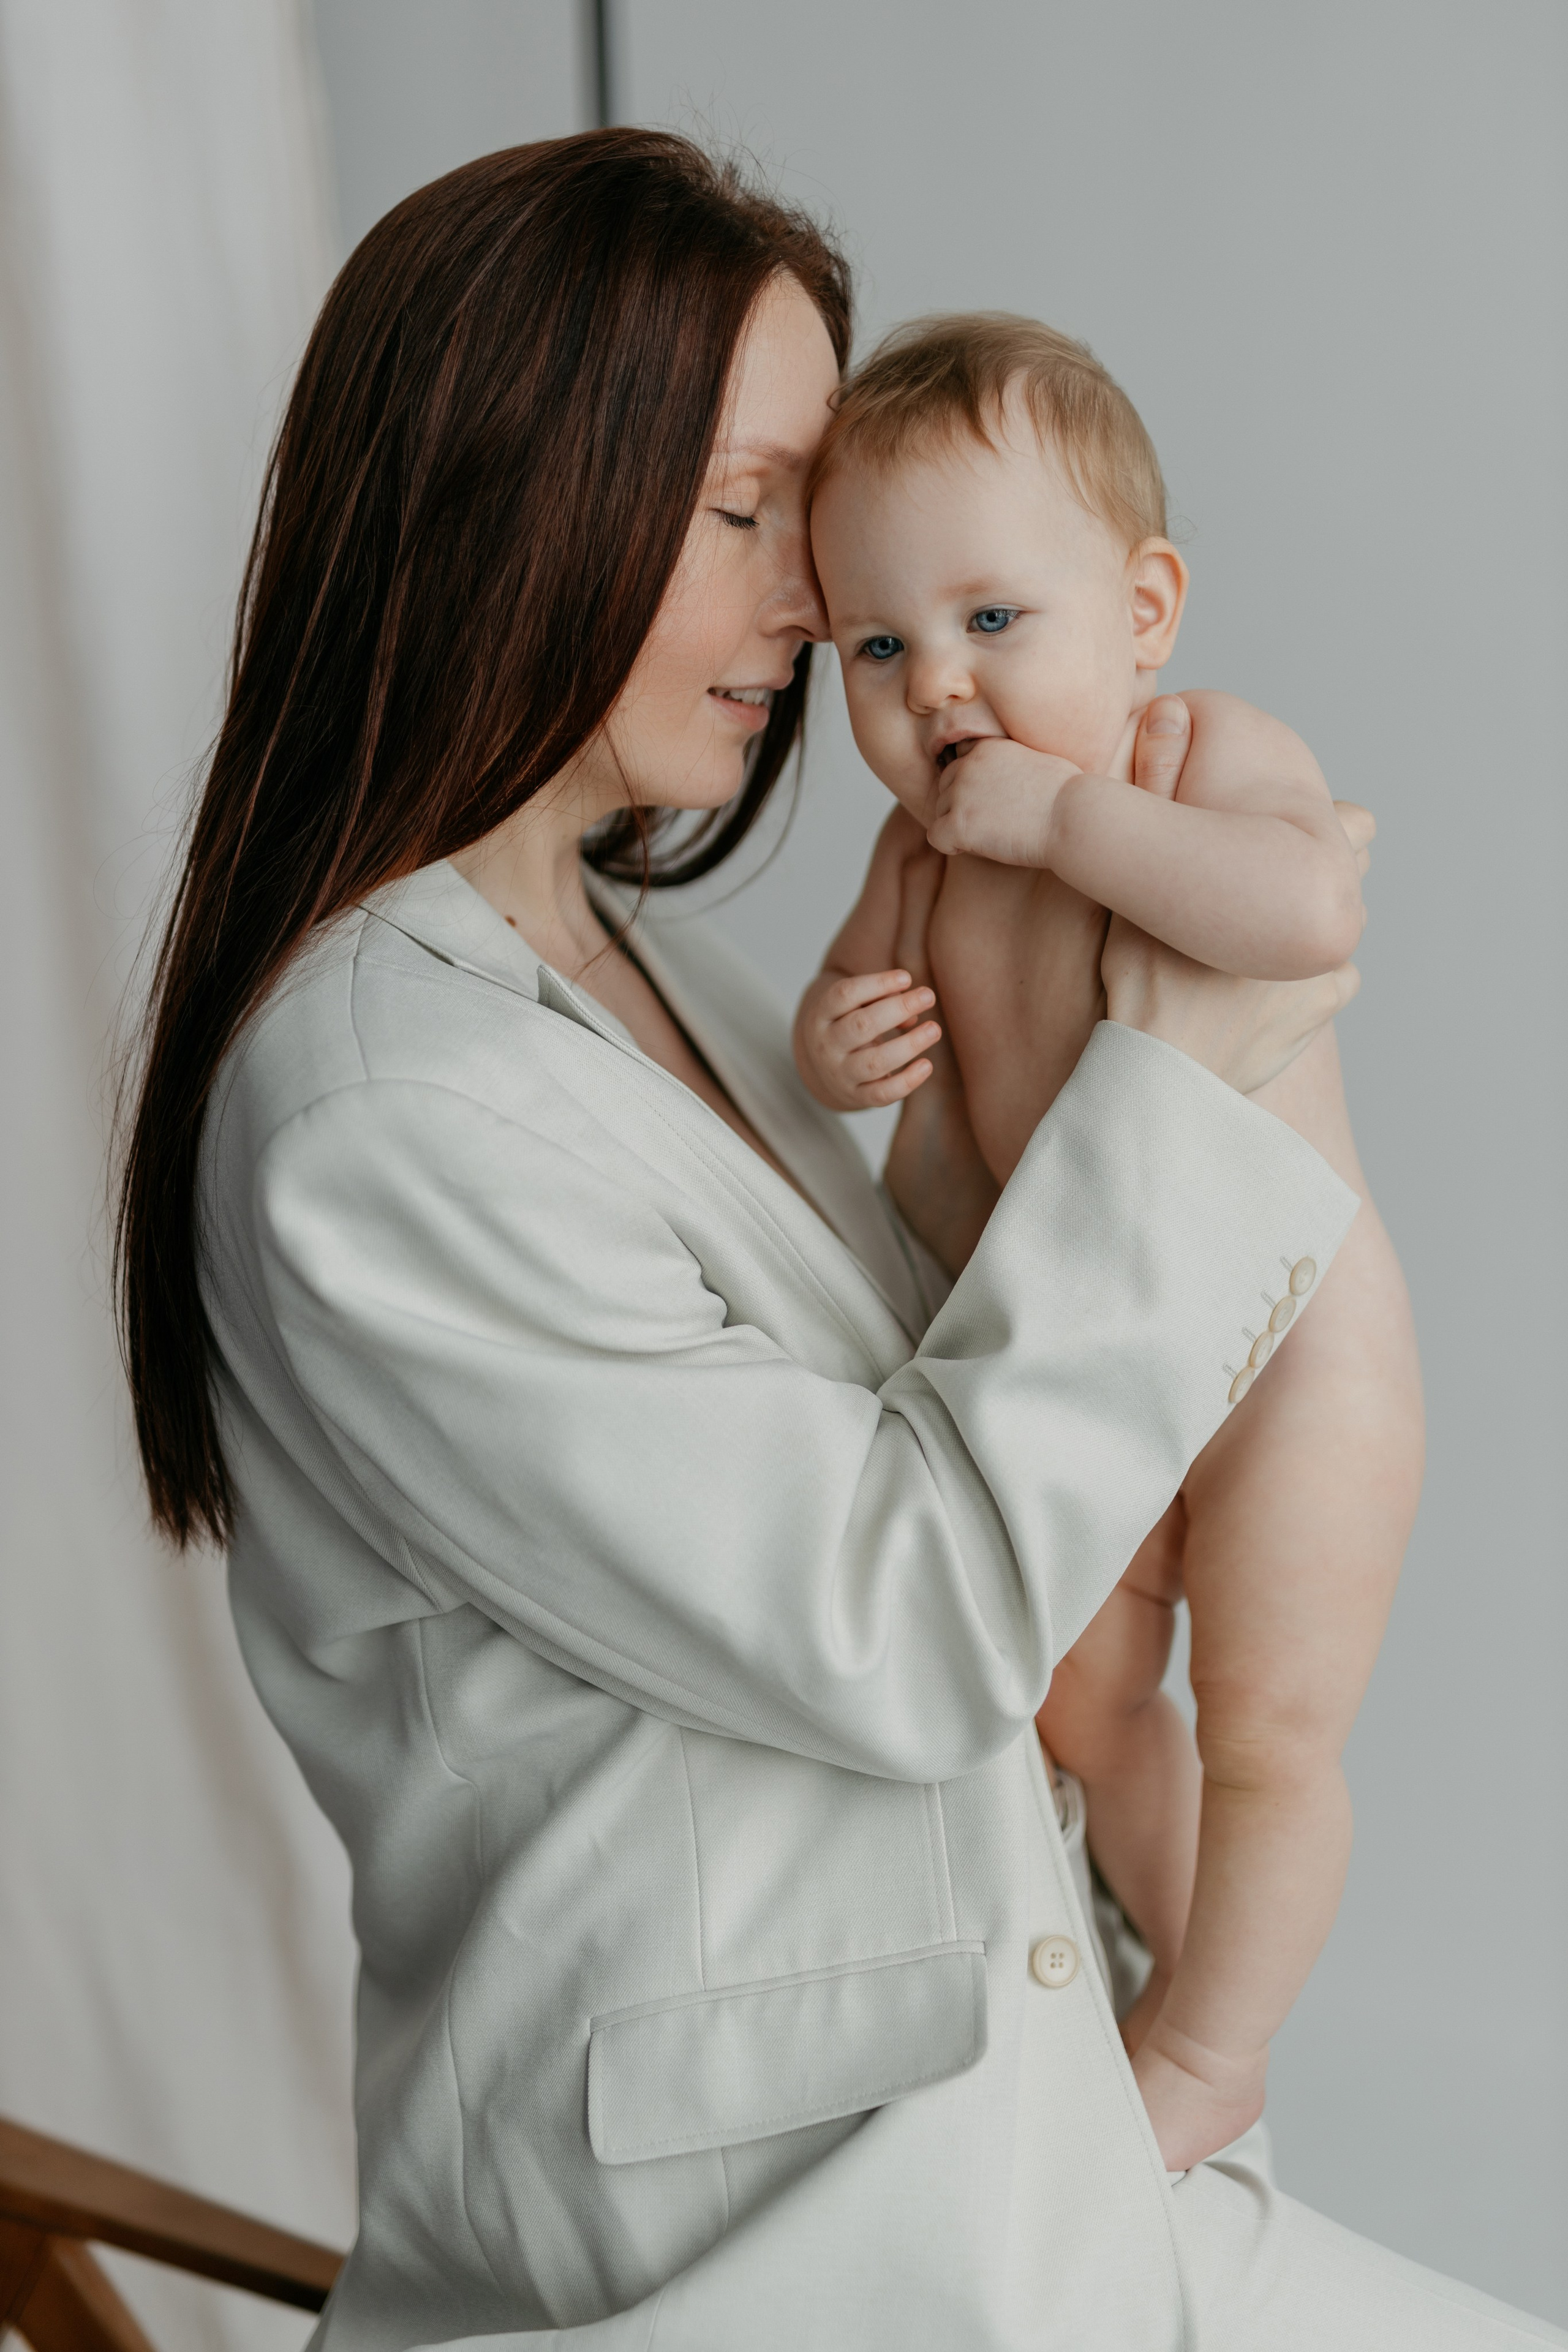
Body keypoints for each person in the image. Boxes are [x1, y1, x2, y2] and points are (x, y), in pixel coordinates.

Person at [115, 132, 1562, 2350]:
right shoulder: (381, 1116)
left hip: (1026, 2156)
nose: (814, 601)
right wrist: (1174, 1077)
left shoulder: (645, 972)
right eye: (745, 512)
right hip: (785, 2264)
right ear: (523, 501)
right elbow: (906, 1618)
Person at [794, 314, 1425, 2171]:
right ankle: (1165, 1947)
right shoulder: (919, 856)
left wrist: (1073, 819)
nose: (939, 688)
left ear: (1143, 610)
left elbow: (1306, 913)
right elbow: (848, 1005)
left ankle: (1216, 2052)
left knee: (1272, 1725)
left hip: (1299, 1349)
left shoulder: (1187, 754)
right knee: (1083, 1703)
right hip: (1100, 1363)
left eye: (994, 619)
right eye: (879, 648)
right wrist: (837, 1039)